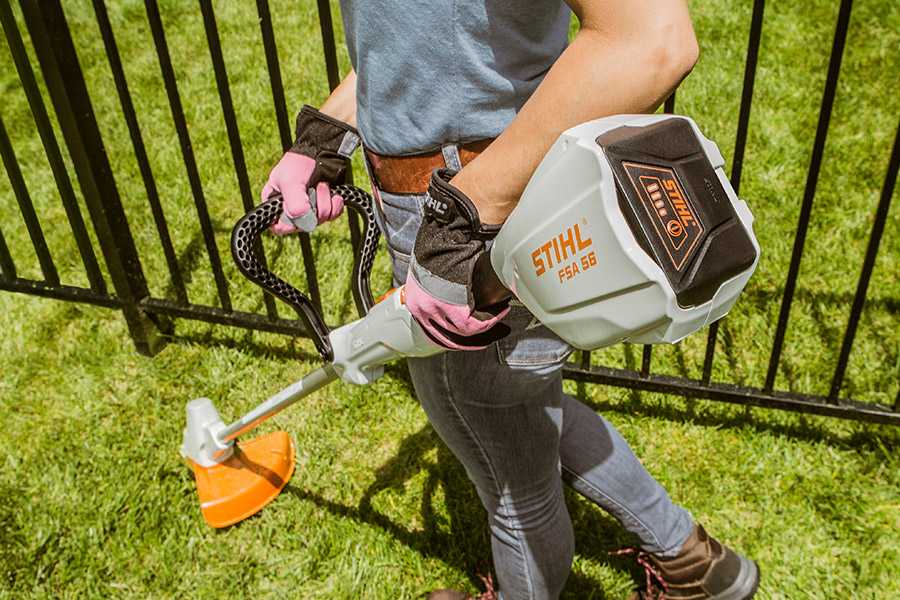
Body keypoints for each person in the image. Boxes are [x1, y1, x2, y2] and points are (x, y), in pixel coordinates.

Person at [261, 1, 760, 598]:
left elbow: (652, 41)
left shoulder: (467, 221)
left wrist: (464, 226)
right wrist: (329, 136)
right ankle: (693, 560)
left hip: (482, 209)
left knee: (514, 486)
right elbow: (423, 37)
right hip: (462, 203)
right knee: (518, 407)